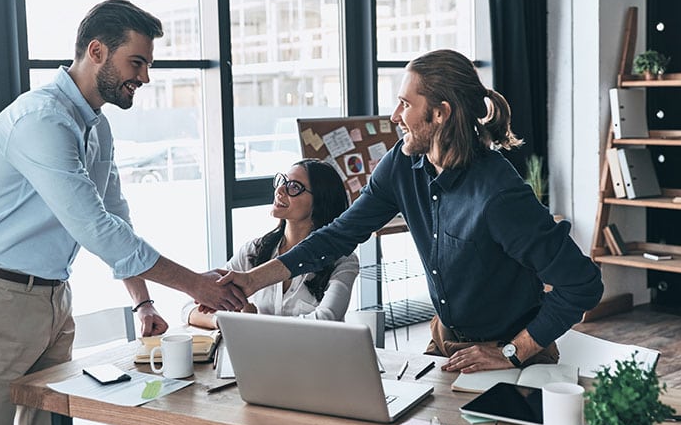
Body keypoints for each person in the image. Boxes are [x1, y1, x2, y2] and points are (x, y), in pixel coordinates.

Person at [0, 0, 245, 425]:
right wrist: (197, 286)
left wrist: (142, 302)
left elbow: (115, 217)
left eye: (147, 65)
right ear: (97, 51)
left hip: (52, 299)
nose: (143, 77)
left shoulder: (96, 126)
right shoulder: (42, 120)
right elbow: (96, 230)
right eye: (136, 62)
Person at [218, 49, 603, 374]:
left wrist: (511, 352)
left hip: (512, 354)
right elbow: (338, 235)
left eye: (405, 104)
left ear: (440, 114)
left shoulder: (498, 193)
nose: (394, 116)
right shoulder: (400, 165)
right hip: (446, 343)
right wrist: (253, 280)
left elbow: (582, 284)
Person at [183, 159, 359, 329]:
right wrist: (226, 322)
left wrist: (253, 323)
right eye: (282, 181)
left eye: (294, 187)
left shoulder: (343, 261)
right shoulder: (254, 251)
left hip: (314, 357)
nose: (280, 190)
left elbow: (326, 320)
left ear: (320, 201)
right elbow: (190, 308)